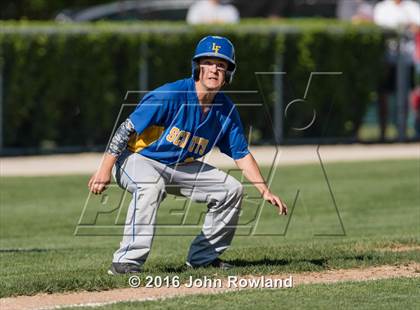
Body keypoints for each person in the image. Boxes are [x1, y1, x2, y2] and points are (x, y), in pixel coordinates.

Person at [88, 36, 288, 275]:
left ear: (229, 73)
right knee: (151, 186)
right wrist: (104, 169)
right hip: (137, 158)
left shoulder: (226, 110)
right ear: (197, 67)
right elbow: (126, 128)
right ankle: (125, 262)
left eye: (221, 64)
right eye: (208, 62)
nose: (214, 69)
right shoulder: (170, 95)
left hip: (180, 165)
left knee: (231, 190)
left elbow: (241, 154)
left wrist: (264, 189)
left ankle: (203, 258)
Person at [373, 0, 420, 140]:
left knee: (406, 96)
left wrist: (409, 26)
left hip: (406, 59)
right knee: (383, 95)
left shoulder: (412, 6)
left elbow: (417, 26)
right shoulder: (382, 7)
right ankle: (383, 134)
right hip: (388, 59)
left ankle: (403, 132)